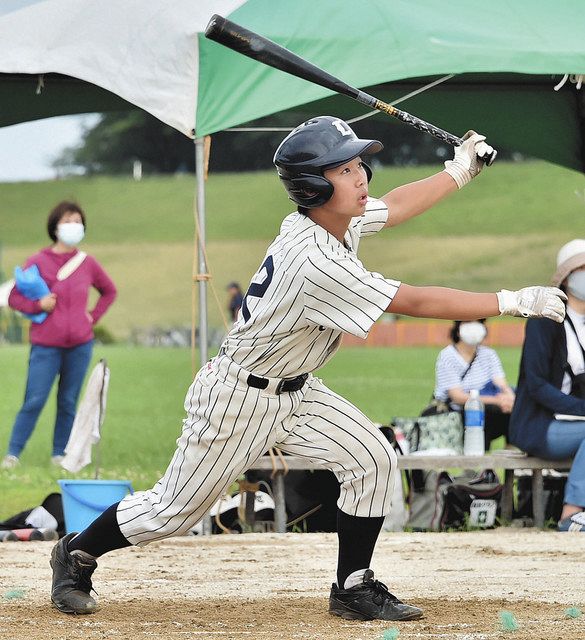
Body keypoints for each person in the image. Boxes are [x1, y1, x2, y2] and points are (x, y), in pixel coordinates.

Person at [48, 116, 565, 621]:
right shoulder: (313, 259)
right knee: (172, 511)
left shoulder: (335, 221)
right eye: (343, 169)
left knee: (372, 458)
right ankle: (76, 553)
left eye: (359, 163)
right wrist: (511, 299)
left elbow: (399, 205)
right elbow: (413, 300)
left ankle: (353, 586)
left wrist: (459, 171)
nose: (360, 174)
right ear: (314, 186)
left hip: (298, 390)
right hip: (239, 399)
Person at [1, 201, 116, 469]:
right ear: (55, 226)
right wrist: (37, 306)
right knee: (34, 399)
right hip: (45, 345)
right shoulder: (38, 261)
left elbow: (109, 291)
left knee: (68, 401)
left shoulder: (87, 263)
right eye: (68, 220)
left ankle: (59, 454)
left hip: (80, 344)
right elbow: (15, 296)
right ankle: (13, 454)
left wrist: (92, 317)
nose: (74, 225)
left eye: (78, 221)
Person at [510, 238, 585, 532]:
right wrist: (581, 409)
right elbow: (537, 384)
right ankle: (572, 513)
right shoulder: (545, 319)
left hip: (574, 422)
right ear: (566, 278)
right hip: (539, 424)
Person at [433, 319, 515, 449]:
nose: (473, 327)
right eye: (468, 322)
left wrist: (510, 398)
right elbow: (457, 397)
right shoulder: (447, 356)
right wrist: (497, 401)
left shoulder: (488, 354)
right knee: (488, 411)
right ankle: (478, 463)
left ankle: (510, 458)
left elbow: (501, 384)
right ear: (458, 328)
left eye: (478, 322)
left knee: (516, 410)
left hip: (488, 406)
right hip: (458, 411)